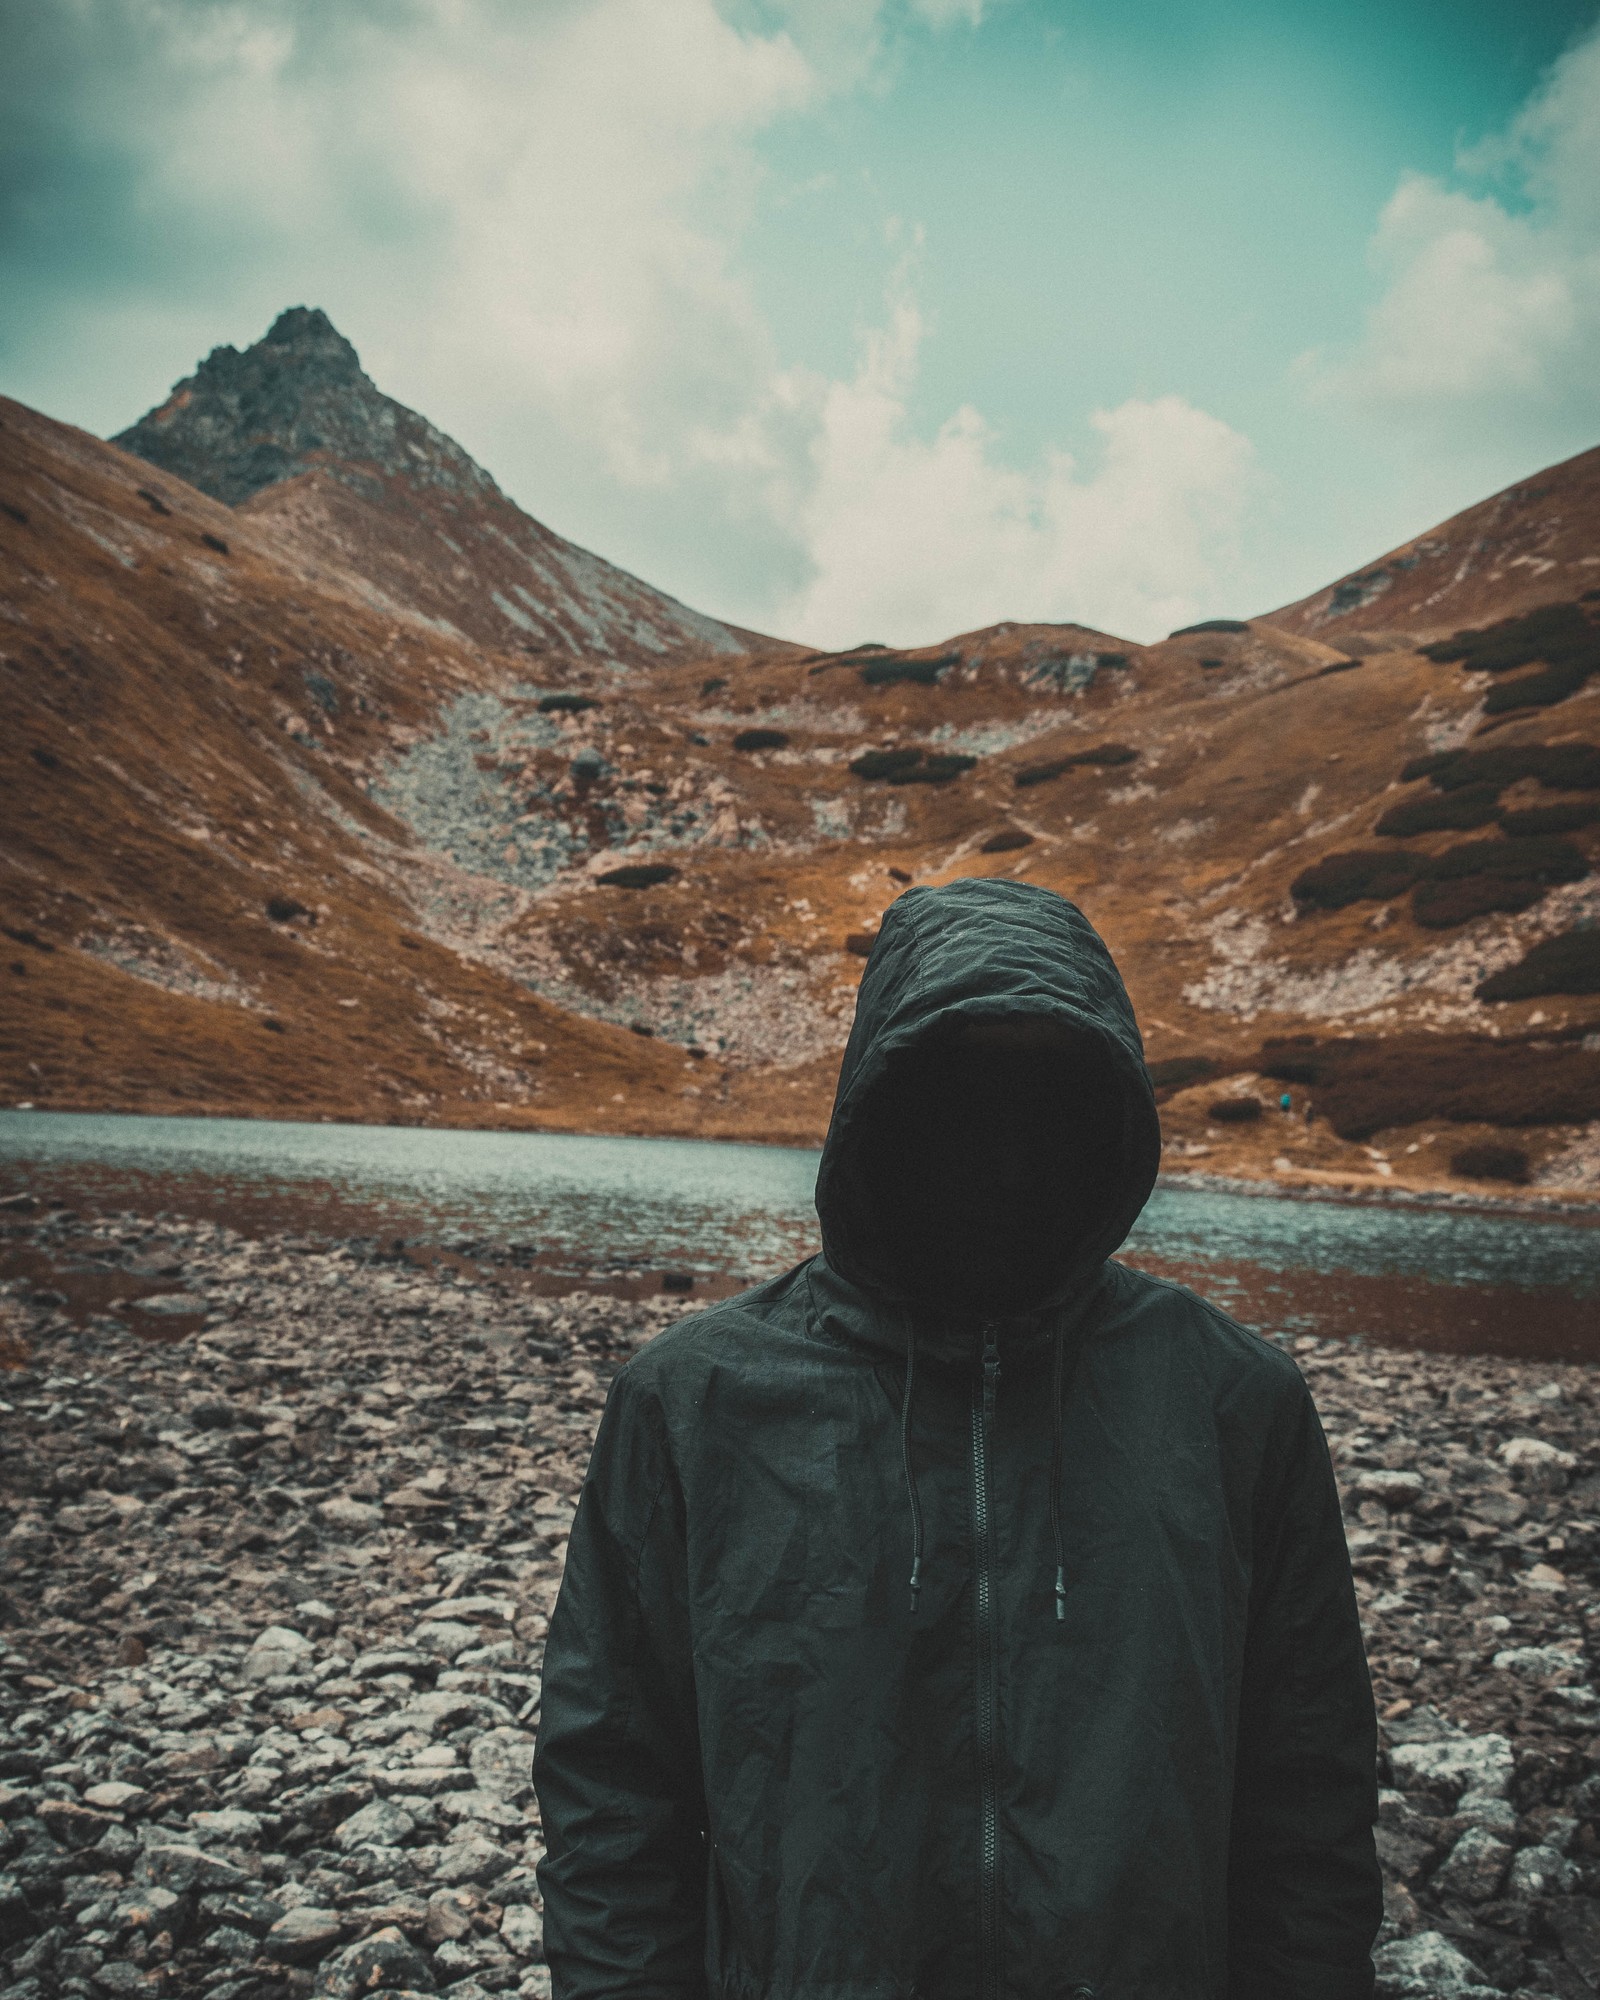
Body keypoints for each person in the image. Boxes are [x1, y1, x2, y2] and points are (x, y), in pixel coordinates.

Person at [533, 879, 1380, 2000]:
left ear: (1107, 1115)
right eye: (956, 1094)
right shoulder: (698, 1400)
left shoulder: (1230, 1401)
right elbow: (612, 1782)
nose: (1004, 1151)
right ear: (877, 1102)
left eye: (1049, 1097)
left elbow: (1308, 1791)